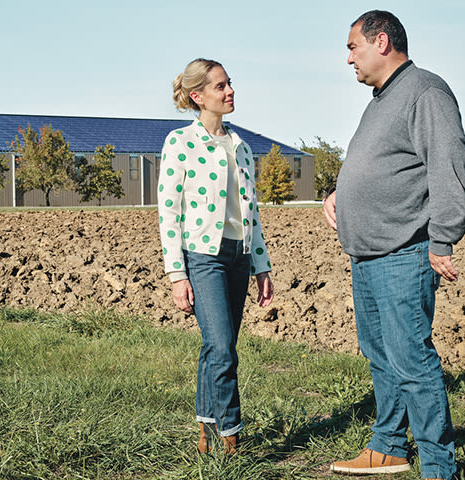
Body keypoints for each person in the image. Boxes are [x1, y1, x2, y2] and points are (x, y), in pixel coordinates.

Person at [322, 10, 465, 480]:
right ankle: (388, 448)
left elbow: (447, 164)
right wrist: (342, 193)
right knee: (381, 354)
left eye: (352, 47)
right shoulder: (381, 99)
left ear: (380, 41)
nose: (348, 58)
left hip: (403, 251)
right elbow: (384, 165)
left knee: (411, 360)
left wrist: (443, 239)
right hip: (367, 253)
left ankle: (439, 468)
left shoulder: (425, 91)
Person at [158, 58, 274, 455]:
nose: (230, 91)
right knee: (223, 347)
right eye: (220, 86)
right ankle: (231, 434)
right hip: (202, 257)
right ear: (198, 96)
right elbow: (169, 212)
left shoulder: (240, 147)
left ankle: (206, 433)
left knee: (216, 348)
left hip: (238, 256)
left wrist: (262, 266)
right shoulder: (180, 143)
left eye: (230, 84)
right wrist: (177, 274)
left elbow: (251, 211)